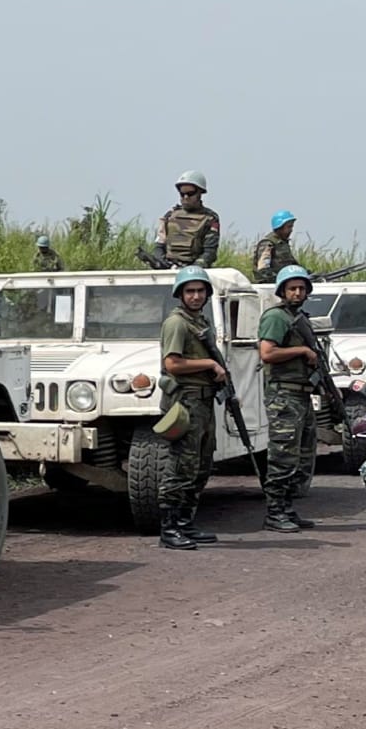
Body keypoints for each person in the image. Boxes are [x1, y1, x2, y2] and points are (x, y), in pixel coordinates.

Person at [156, 266, 225, 549]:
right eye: (190, 291)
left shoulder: (198, 321)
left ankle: (185, 522)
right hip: (186, 401)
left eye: (200, 291)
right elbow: (171, 364)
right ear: (180, 294)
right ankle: (169, 528)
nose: (195, 296)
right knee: (181, 465)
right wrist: (209, 364)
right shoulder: (178, 324)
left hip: (203, 400)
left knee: (201, 464)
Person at [257, 265, 322, 532]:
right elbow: (267, 353)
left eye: (302, 288)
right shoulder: (276, 317)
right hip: (284, 395)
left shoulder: (299, 317)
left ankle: (286, 508)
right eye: (292, 288)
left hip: (301, 394)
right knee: (282, 455)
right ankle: (274, 513)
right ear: (282, 291)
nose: (297, 292)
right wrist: (301, 351)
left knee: (301, 457)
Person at [155, 171, 221, 267]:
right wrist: (161, 261)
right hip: (168, 269)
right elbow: (159, 245)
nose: (186, 197)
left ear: (199, 193)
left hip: (194, 271)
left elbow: (209, 252)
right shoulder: (169, 216)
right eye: (182, 194)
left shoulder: (210, 219)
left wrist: (195, 268)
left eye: (190, 193)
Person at [252, 211, 299, 283]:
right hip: (269, 286)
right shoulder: (268, 244)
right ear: (279, 227)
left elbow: (292, 265)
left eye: (292, 227)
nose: (291, 230)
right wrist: (281, 279)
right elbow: (263, 270)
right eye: (289, 227)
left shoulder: (283, 244)